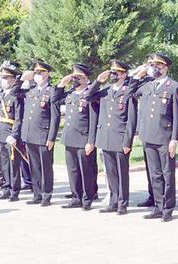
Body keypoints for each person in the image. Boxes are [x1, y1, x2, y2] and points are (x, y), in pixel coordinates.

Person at [128, 52, 178, 222]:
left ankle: (167, 209)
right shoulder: (147, 86)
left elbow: (177, 115)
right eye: (152, 65)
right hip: (148, 136)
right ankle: (158, 207)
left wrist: (174, 139)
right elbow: (130, 92)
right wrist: (139, 74)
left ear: (166, 68)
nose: (155, 68)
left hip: (165, 137)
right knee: (155, 174)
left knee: (167, 174)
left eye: (159, 65)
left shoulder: (174, 87)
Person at [89, 60, 137, 215]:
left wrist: (128, 141)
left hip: (120, 138)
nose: (113, 74)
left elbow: (131, 119)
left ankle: (122, 203)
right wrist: (98, 81)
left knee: (121, 173)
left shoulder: (127, 91)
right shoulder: (106, 90)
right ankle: (113, 201)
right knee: (110, 172)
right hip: (106, 137)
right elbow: (88, 96)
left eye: (117, 72)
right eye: (112, 71)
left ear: (124, 74)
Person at [56, 64, 99, 210]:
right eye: (73, 77)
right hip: (69, 137)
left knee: (85, 171)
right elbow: (54, 99)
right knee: (73, 170)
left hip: (83, 139)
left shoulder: (90, 94)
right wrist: (62, 83)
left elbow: (94, 120)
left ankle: (87, 198)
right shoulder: (70, 93)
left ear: (86, 79)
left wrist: (91, 141)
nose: (75, 80)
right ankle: (76, 197)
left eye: (78, 77)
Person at [21, 62, 63, 206]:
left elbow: (55, 116)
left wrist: (51, 137)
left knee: (45, 167)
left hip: (43, 135)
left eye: (41, 72)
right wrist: (24, 79)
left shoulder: (52, 91)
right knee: (34, 166)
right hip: (30, 134)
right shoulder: (31, 91)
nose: (38, 75)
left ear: (48, 74)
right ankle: (37, 193)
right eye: (36, 72)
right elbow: (14, 93)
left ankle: (46, 194)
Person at [0, 68, 26, 201]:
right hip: (1, 132)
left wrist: (14, 135)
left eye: (7, 78)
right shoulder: (1, 95)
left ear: (13, 79)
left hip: (11, 133)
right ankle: (6, 188)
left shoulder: (15, 96)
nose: (4, 81)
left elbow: (19, 118)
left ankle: (14, 190)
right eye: (3, 78)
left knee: (13, 164)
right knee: (4, 163)